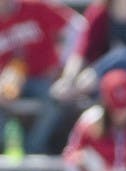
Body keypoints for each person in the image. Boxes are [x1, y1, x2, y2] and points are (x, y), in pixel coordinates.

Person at [0, 0, 85, 154]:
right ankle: (7, 160)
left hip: (43, 78)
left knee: (57, 97)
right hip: (8, 84)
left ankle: (33, 150)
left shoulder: (35, 6)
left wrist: (64, 65)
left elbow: (79, 27)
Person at [51, 0, 126, 102]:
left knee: (123, 54)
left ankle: (91, 79)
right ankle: (82, 84)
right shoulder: (99, 12)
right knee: (116, 59)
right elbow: (81, 53)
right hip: (110, 82)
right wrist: (68, 80)